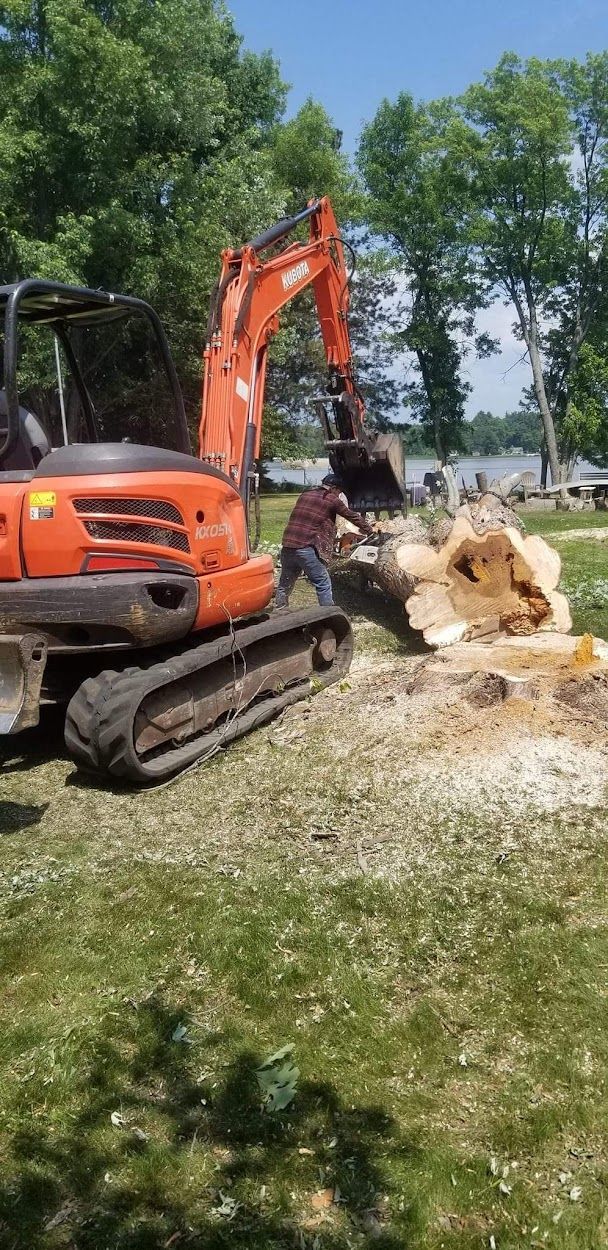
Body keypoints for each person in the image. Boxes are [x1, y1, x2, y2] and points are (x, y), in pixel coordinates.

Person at [275, 474, 374, 608]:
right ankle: (329, 615)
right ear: (334, 488)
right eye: (339, 491)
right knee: (323, 582)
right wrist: (370, 530)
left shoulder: (305, 495)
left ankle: (281, 609)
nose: (339, 495)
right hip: (306, 547)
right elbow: (352, 516)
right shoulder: (331, 499)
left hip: (288, 546)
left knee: (285, 583)